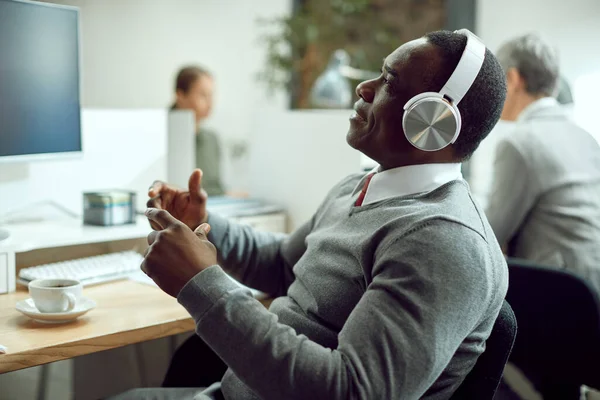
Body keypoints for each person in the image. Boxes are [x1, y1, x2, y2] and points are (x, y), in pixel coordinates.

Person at [113, 29, 508, 399]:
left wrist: (201, 283)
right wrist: (204, 227)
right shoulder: (364, 185)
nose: (364, 87)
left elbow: (350, 390)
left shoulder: (443, 241)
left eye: (389, 81)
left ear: (431, 122)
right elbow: (284, 265)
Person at [485, 34, 600, 294]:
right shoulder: (585, 137)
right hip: (589, 288)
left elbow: (490, 233)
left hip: (557, 294)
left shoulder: (520, 143)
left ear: (513, 79)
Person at [172, 66, 225, 196]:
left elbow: (216, 189)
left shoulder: (212, 139)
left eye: (211, 95)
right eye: (202, 95)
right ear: (181, 95)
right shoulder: (162, 137)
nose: (210, 103)